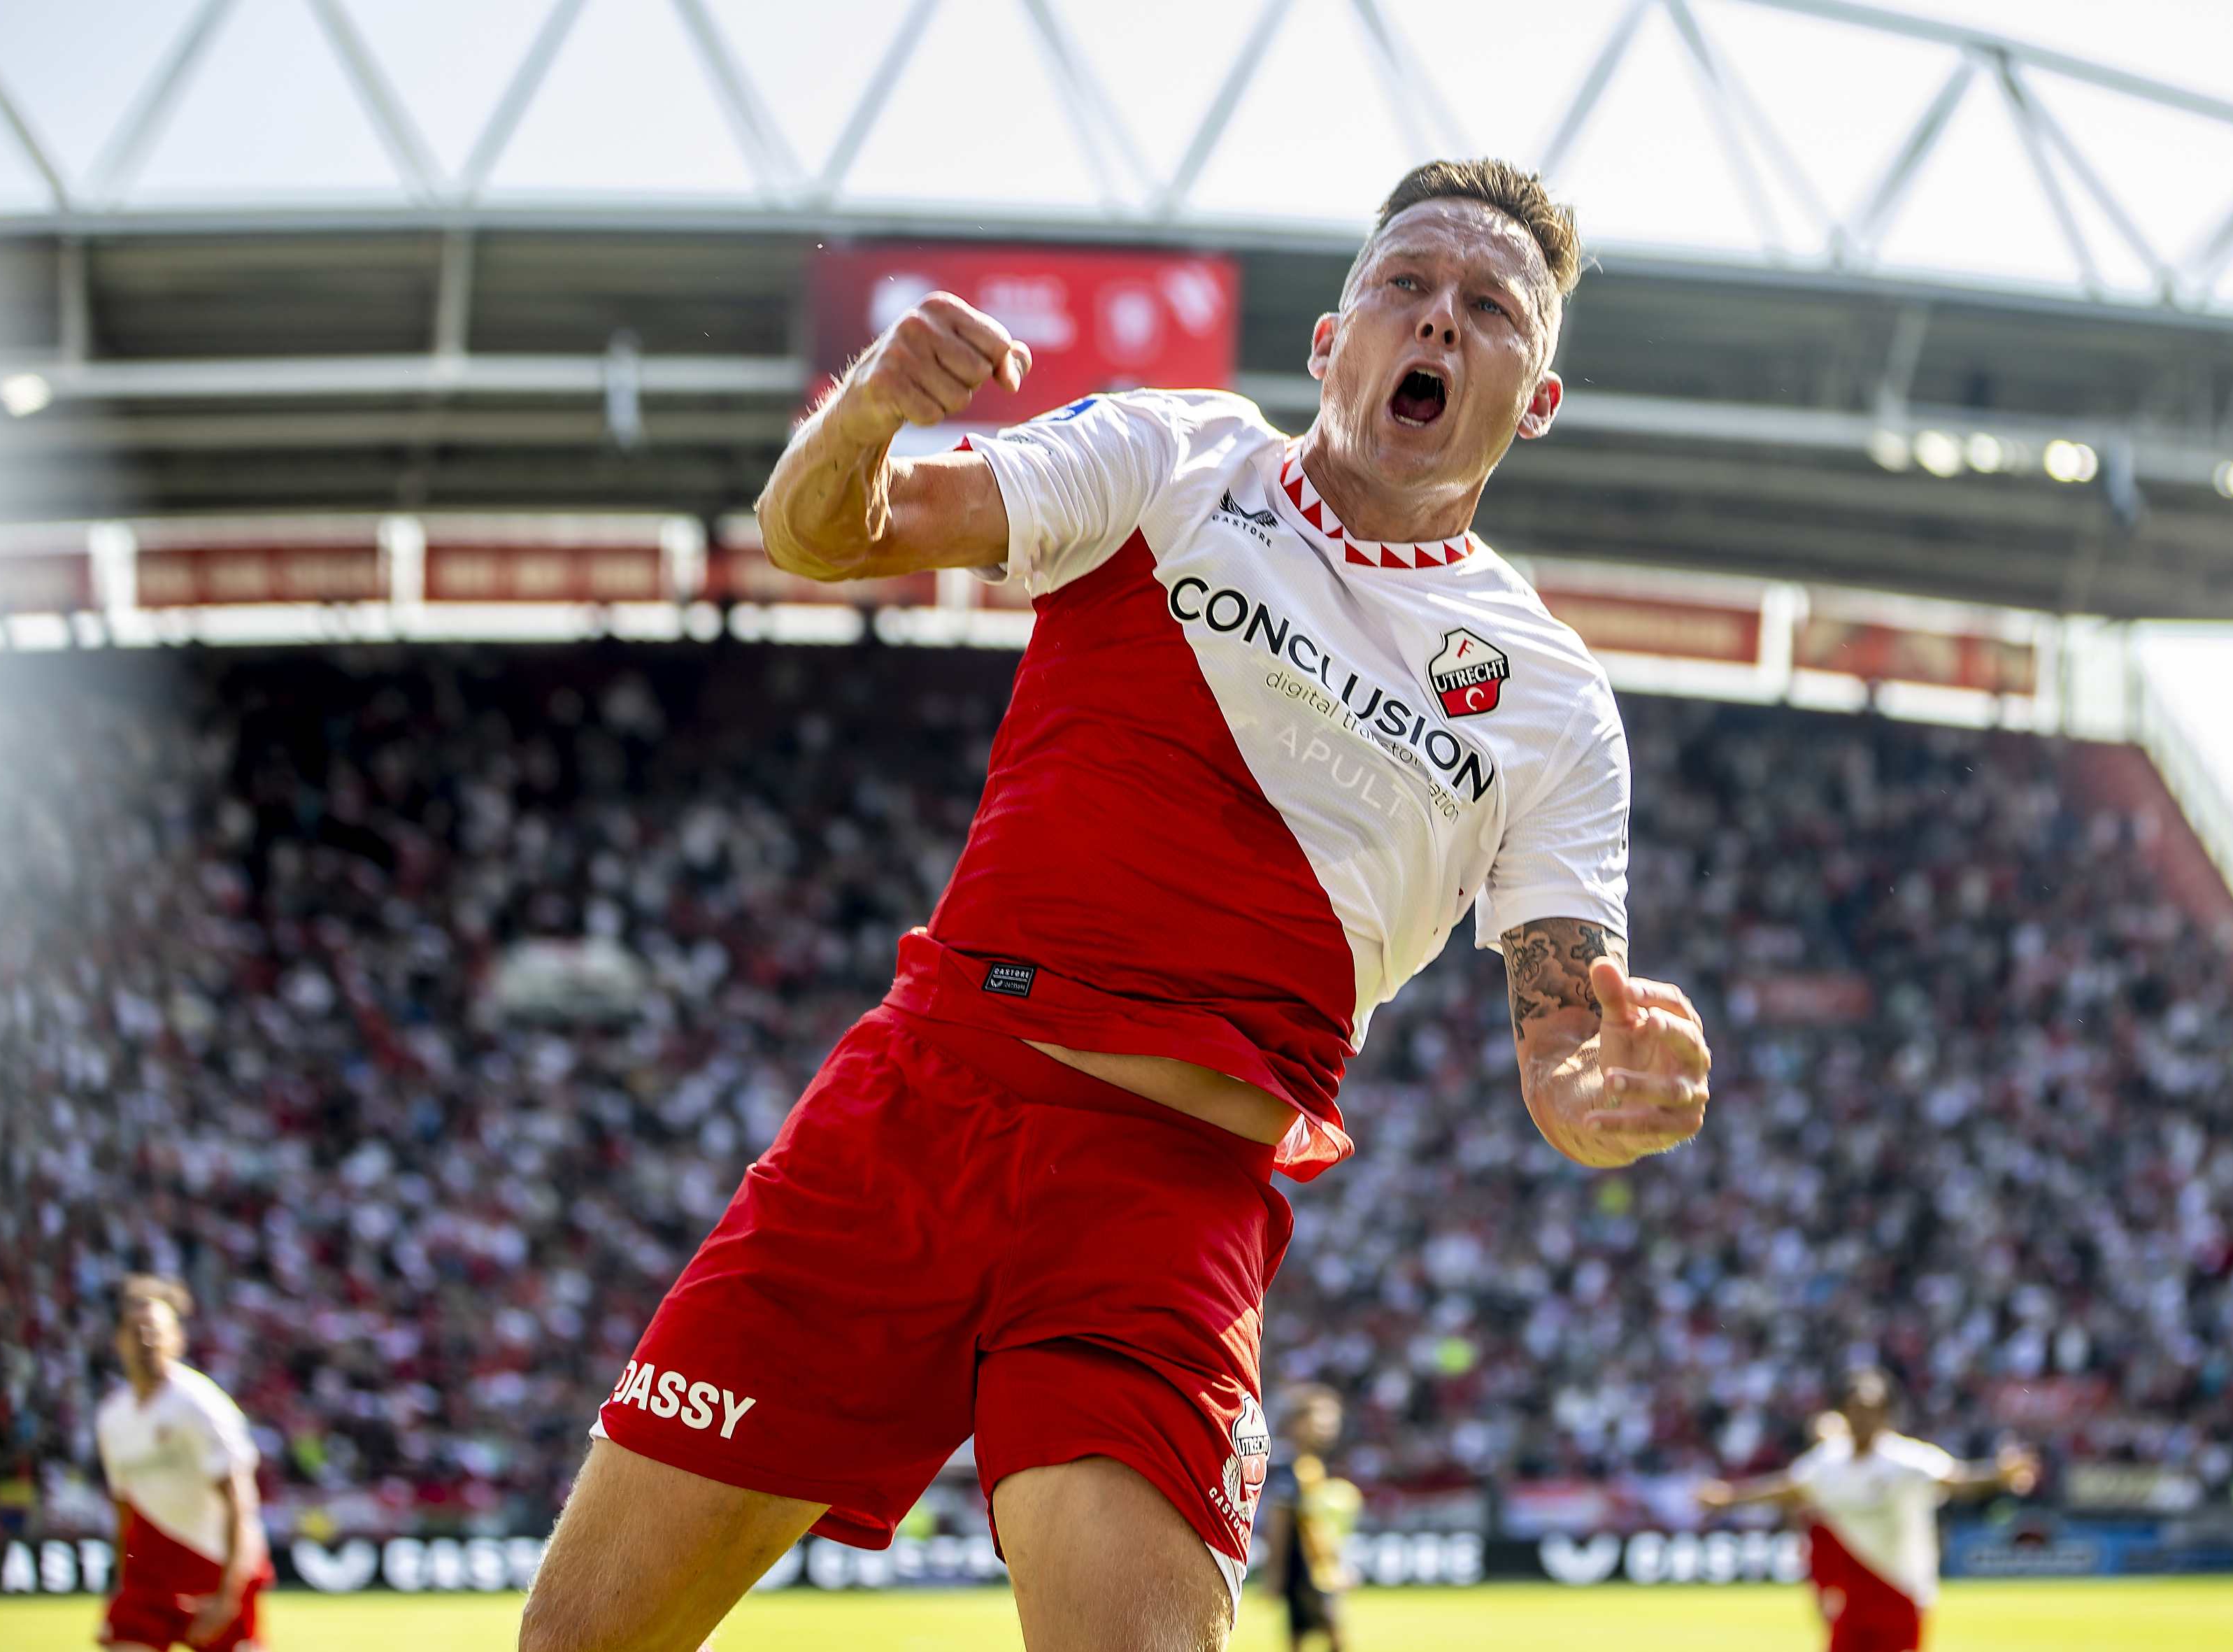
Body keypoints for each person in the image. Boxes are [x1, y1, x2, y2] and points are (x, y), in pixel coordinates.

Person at [520, 157, 1713, 1652]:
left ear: (1534, 397)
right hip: (918, 1109)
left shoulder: (1550, 700)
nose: (1438, 320)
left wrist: (1597, 1091)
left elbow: (1564, 1028)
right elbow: (824, 531)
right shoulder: (1175, 456)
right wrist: (875, 404)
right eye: (1403, 284)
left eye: (1489, 308)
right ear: (1329, 341)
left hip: (1163, 1203)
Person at [1697, 1369, 2038, 1652]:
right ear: (1843, 1413)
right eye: (1855, 1409)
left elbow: (1958, 1480)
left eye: (1870, 1409)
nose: (1862, 1417)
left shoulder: (1906, 1461)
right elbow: (1788, 1489)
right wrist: (1729, 1498)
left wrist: (1999, 1476)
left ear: (1886, 1416)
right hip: (1854, 1600)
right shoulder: (1827, 1463)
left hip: (1902, 1593)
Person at [93, 1276, 271, 1652]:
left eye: (156, 1330)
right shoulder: (112, 1417)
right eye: (136, 1330)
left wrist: (229, 1592)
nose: (147, 1340)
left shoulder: (201, 1405)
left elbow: (240, 1501)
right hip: (150, 1572)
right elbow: (124, 1507)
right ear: (118, 1340)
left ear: (178, 1339)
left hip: (214, 1564)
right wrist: (120, 1584)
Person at [1260, 1385, 1360, 1652]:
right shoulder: (1291, 1471)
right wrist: (1276, 1576)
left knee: (1303, 1637)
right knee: (1332, 1635)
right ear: (1296, 1424)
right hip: (1306, 1574)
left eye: (1332, 1421)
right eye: (1319, 1421)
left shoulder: (1313, 1467)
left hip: (1317, 1570)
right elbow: (1279, 1524)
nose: (1327, 1428)